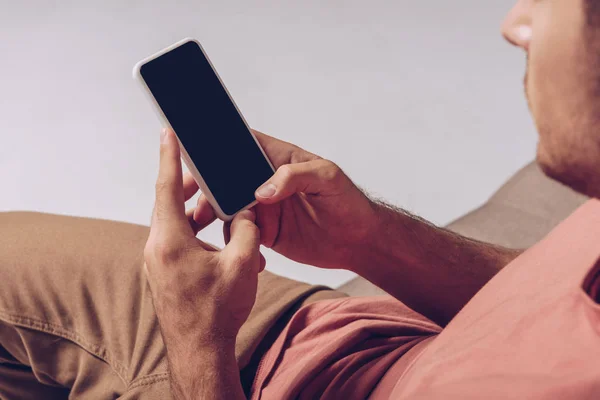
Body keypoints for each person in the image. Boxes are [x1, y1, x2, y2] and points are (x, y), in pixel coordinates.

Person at [1, 0, 600, 398]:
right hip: (343, 333)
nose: (517, 24)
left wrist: (197, 344)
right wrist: (368, 238)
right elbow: (555, 293)